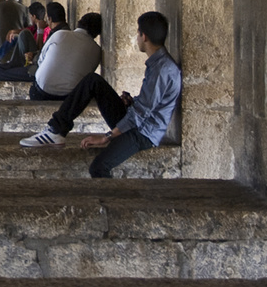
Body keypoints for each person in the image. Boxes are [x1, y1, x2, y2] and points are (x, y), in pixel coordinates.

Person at [19, 11, 181, 179]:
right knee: (92, 81)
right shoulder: (158, 64)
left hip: (143, 134)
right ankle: (56, 130)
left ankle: (110, 204)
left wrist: (106, 138)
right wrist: (131, 102)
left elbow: (141, 115)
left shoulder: (162, 70)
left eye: (138, 33)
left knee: (98, 168)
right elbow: (148, 103)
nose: (137, 37)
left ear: (144, 36)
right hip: (138, 123)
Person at [31, 10, 103, 100]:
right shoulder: (96, 50)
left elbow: (41, 60)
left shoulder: (60, 34)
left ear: (79, 23)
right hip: (68, 98)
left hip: (41, 89)